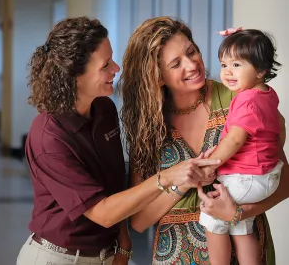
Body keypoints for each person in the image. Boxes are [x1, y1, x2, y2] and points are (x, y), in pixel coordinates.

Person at [16, 16, 220, 265]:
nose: (116, 68)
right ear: (74, 76)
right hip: (57, 258)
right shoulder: (49, 137)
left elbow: (115, 190)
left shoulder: (104, 109)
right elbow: (103, 212)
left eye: (112, 58)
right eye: (105, 65)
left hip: (107, 255)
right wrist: (167, 177)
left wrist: (123, 247)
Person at [119, 16, 289, 265]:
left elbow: (284, 179)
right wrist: (185, 181)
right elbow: (140, 220)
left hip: (245, 252)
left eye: (192, 51)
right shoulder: (149, 128)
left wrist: (239, 213)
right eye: (176, 63)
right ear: (157, 76)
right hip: (177, 257)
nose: (192, 64)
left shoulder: (240, 97)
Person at [198, 28, 285, 265]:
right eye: (224, 64)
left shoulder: (246, 100)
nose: (227, 72)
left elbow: (234, 139)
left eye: (236, 65)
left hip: (246, 179)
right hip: (267, 175)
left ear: (261, 70)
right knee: (241, 227)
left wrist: (211, 163)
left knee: (212, 217)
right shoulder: (267, 94)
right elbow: (281, 127)